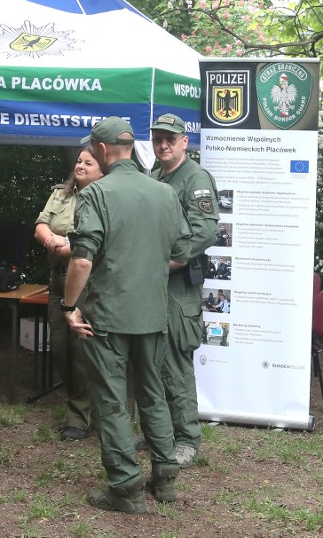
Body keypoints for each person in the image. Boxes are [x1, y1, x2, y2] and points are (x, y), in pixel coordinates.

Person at [62, 116, 191, 513]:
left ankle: (126, 487)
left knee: (113, 399)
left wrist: (69, 307)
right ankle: (165, 477)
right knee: (153, 393)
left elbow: (82, 260)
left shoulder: (97, 193)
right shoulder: (163, 192)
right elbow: (182, 251)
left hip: (108, 314)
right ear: (132, 147)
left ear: (101, 150)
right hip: (153, 311)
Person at [150, 113, 220, 469]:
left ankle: (187, 440)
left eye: (170, 139)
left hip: (177, 287)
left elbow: (205, 230)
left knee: (176, 362)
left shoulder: (195, 177)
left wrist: (166, 263)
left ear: (184, 142)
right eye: (158, 138)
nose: (163, 145)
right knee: (149, 360)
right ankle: (158, 435)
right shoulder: (152, 175)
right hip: (150, 286)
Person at [34, 147, 103, 441]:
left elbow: (89, 245)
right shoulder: (61, 195)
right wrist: (51, 239)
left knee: (81, 351)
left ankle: (81, 416)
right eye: (79, 161)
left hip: (87, 283)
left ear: (102, 170)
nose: (81, 166)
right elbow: (40, 225)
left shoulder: (103, 199)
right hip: (59, 281)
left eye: (89, 162)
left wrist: (63, 246)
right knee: (60, 347)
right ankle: (78, 405)